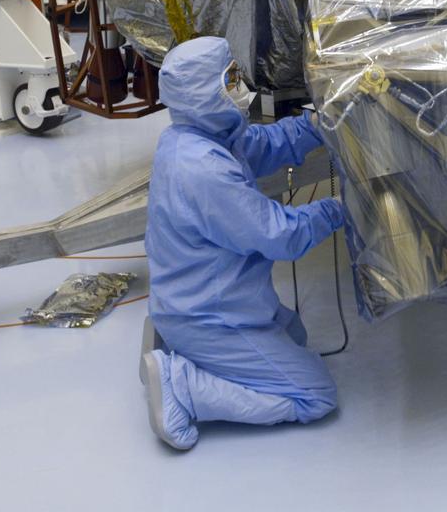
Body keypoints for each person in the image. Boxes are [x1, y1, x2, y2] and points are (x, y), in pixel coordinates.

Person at [140, 36, 346, 451]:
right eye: (229, 79)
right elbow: (280, 235)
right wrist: (341, 209)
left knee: (298, 338)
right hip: (211, 316)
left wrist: (317, 124)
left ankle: (173, 342)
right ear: (202, 92)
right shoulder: (202, 170)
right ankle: (183, 386)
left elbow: (266, 145)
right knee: (316, 395)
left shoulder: (196, 138)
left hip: (198, 299)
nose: (240, 88)